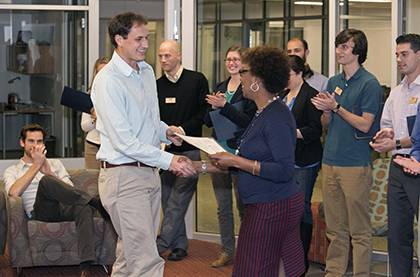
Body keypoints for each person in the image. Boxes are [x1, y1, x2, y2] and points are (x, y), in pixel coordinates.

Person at [91, 13, 196, 277]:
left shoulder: (147, 71)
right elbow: (124, 141)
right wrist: (170, 161)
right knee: (147, 261)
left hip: (148, 173)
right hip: (123, 177)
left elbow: (150, 119)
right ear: (119, 39)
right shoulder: (108, 80)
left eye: (147, 38)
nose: (146, 44)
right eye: (139, 38)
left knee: (130, 257)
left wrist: (166, 132)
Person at [206, 46, 304, 276]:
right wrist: (201, 166)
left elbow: (283, 170)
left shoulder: (276, 116)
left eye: (244, 71)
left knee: (251, 269)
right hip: (267, 203)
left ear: (257, 80)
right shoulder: (263, 112)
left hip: (273, 206)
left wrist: (236, 161)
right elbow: (251, 159)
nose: (240, 74)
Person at [311, 29, 383, 277]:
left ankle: (361, 273)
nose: (339, 51)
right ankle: (334, 272)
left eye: (345, 46)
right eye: (338, 46)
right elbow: (326, 125)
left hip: (355, 164)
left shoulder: (369, 83)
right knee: (335, 228)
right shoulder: (333, 82)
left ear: (358, 51)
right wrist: (326, 112)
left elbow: (365, 124)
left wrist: (336, 107)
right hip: (330, 160)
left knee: (359, 230)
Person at [3, 123, 108, 277]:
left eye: (39, 142)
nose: (35, 145)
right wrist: (36, 167)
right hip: (39, 211)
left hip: (62, 207)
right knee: (46, 182)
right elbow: (13, 192)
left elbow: (70, 190)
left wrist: (49, 172)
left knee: (83, 208)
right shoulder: (13, 170)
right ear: (22, 143)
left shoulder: (55, 164)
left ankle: (86, 266)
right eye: (31, 141)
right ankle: (94, 202)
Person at [370, 33, 420, 277]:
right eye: (397, 55)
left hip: (418, 167)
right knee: (398, 233)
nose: (399, 59)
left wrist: (395, 143)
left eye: (405, 54)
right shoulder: (397, 91)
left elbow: (418, 136)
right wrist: (384, 136)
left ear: (419, 55)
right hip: (398, 168)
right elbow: (388, 123)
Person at [156, 39, 209, 261]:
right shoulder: (157, 85)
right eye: (160, 56)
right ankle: (179, 245)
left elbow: (204, 114)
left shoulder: (196, 80)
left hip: (190, 153)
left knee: (178, 202)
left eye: (167, 55)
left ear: (179, 55)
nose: (163, 60)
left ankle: (159, 245)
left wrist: (183, 129)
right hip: (164, 153)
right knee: (168, 202)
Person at [204, 45, 256, 267]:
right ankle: (227, 250)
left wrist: (225, 106)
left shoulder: (250, 87)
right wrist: (210, 108)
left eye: (236, 59)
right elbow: (208, 120)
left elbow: (248, 122)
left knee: (243, 206)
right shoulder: (220, 86)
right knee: (222, 206)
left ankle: (248, 252)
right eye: (228, 59)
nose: (232, 63)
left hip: (240, 153)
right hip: (218, 150)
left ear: (244, 63)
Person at [279, 54, 322, 274]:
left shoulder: (311, 96)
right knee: (287, 210)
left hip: (305, 161)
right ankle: (289, 256)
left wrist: (292, 133)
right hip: (285, 161)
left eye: (286, 74)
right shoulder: (282, 95)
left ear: (298, 73)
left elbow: (315, 130)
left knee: (301, 209)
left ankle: (300, 262)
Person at [81, 57, 110, 170]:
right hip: (93, 144)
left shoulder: (119, 94)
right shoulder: (90, 95)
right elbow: (84, 126)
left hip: (111, 145)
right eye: (100, 72)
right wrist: (95, 118)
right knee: (91, 181)